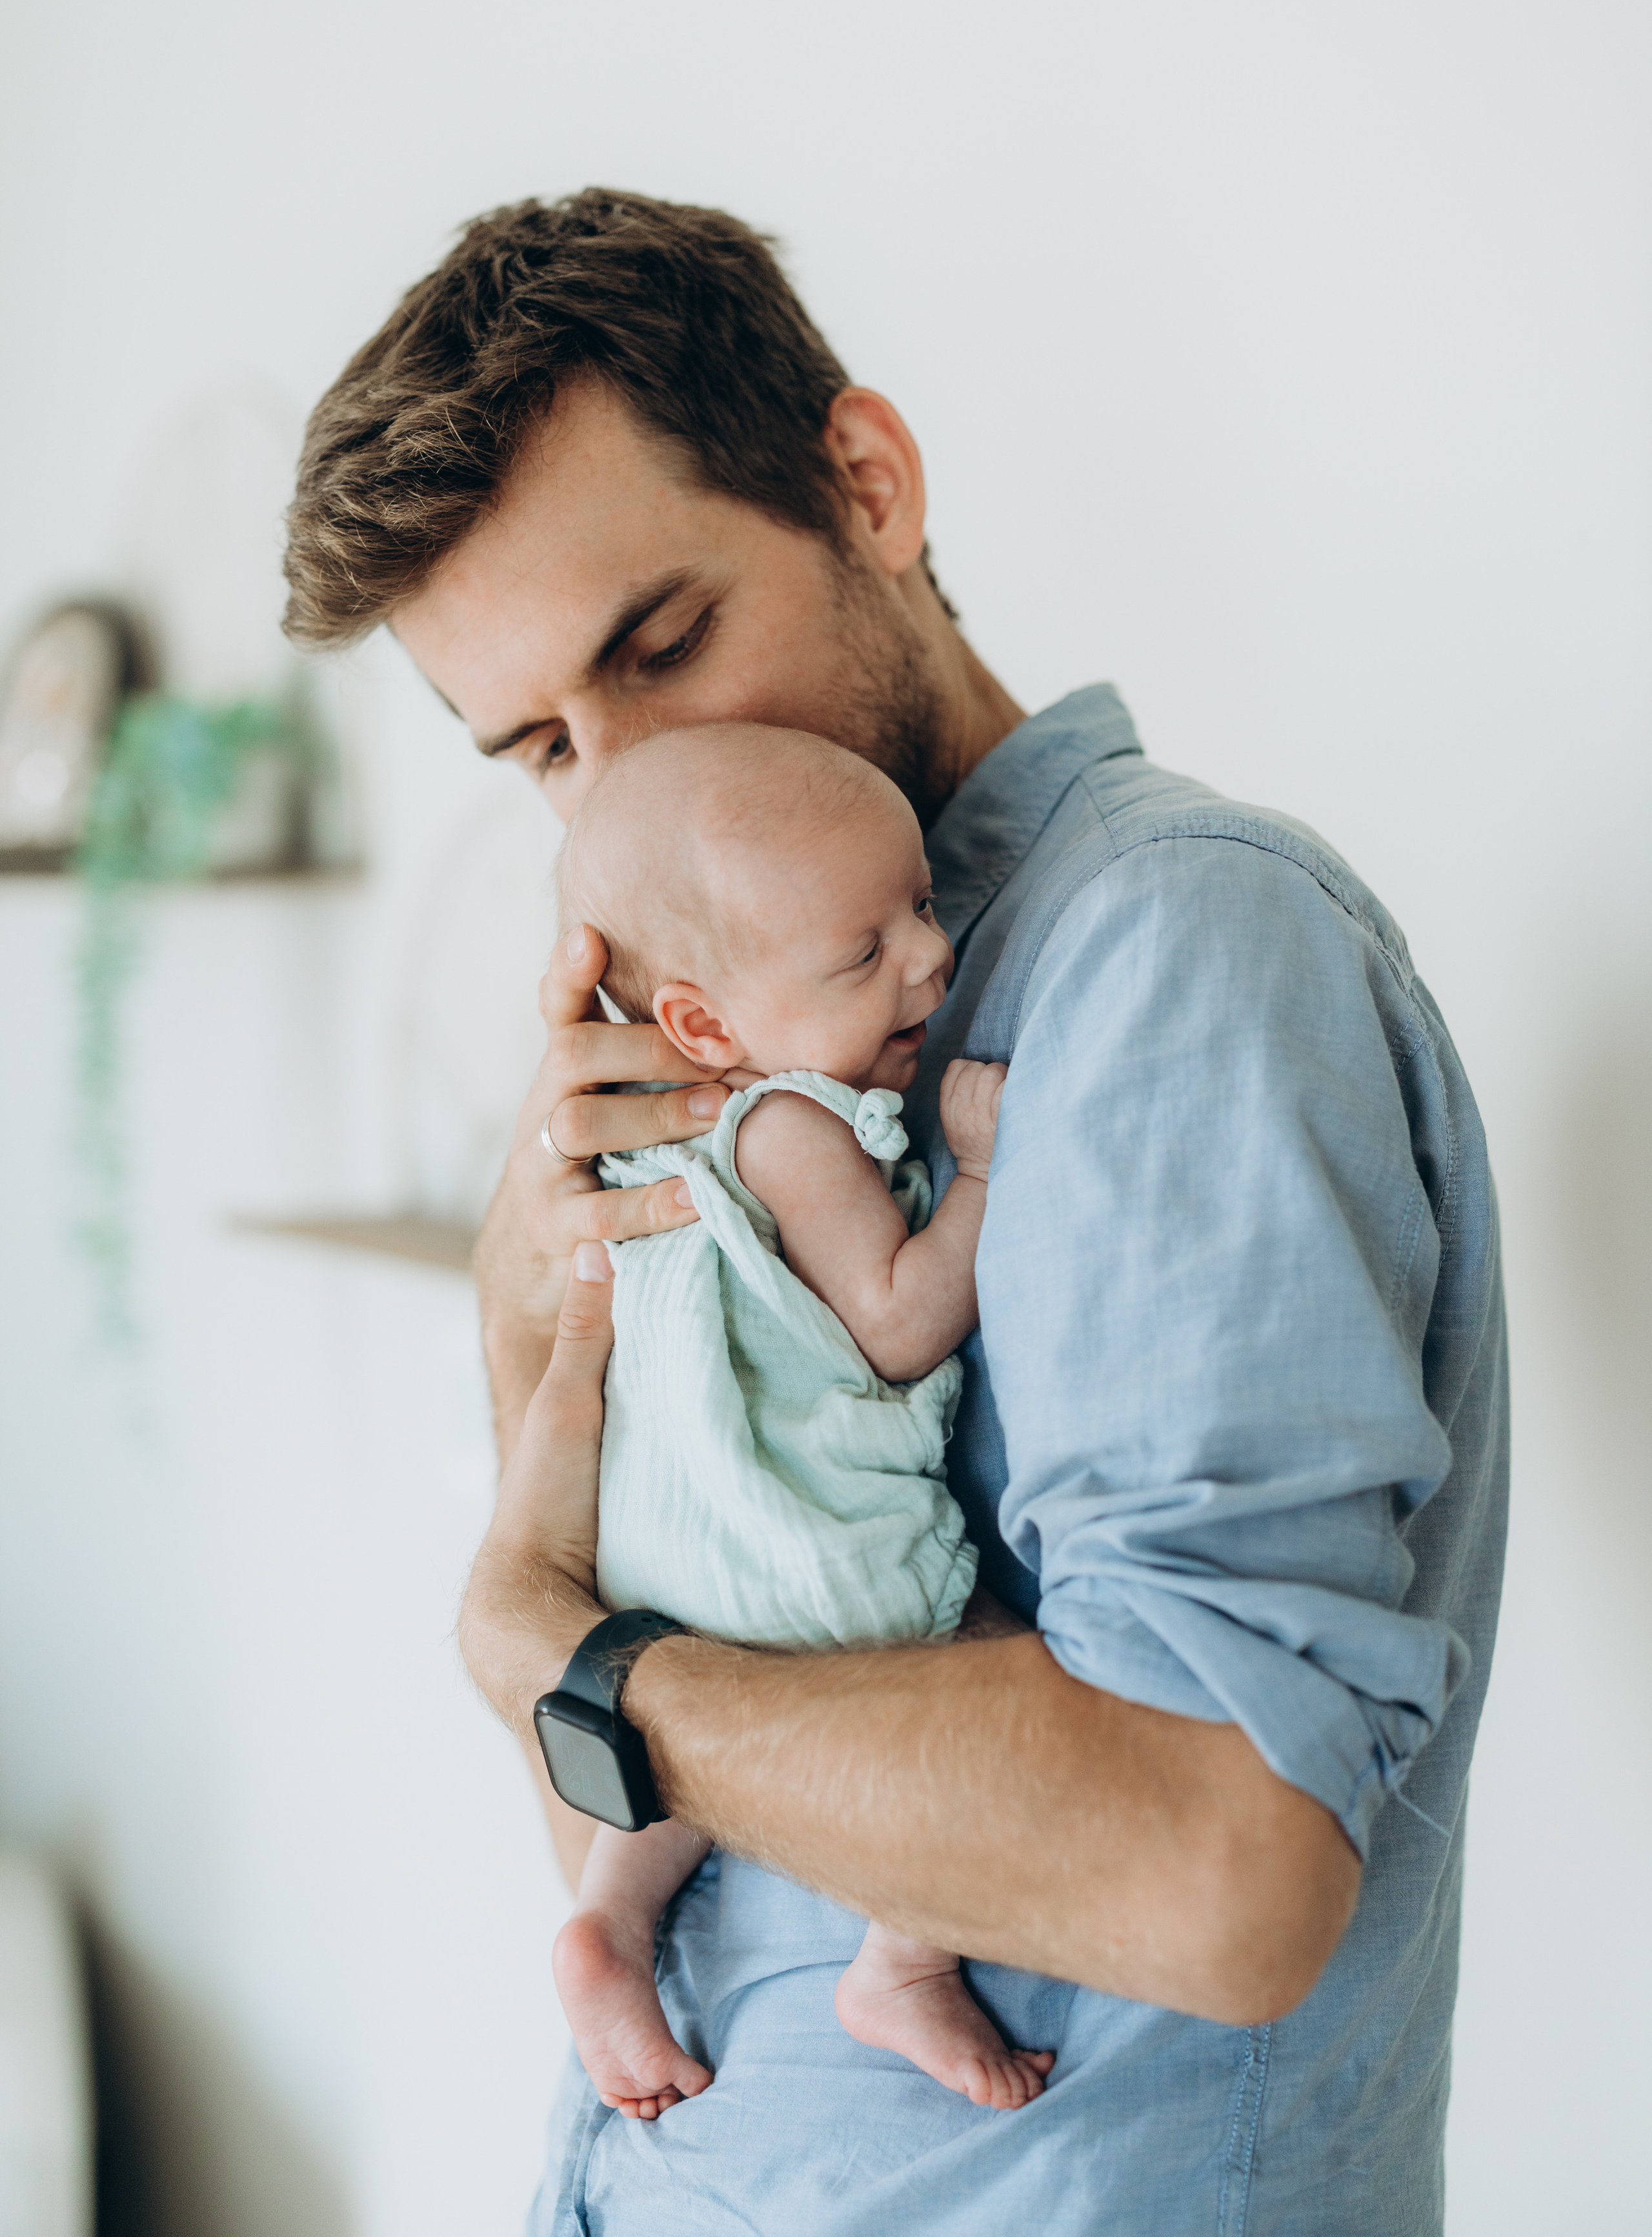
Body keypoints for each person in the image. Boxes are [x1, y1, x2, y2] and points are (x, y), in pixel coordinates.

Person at [281, 189, 1509, 2236]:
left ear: (867, 485)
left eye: (659, 645)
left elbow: (1224, 1871)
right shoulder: (729, 1065)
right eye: (543, 753)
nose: (626, 799)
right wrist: (535, 1323)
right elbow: (656, 1822)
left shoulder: (1168, 957)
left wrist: (583, 1662)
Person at [549, 718, 1051, 2121]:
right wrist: (978, 1178)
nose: (928, 960)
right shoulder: (789, 1127)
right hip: (815, 1558)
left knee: (684, 1780)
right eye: (862, 953)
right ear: (708, 1026)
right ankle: (899, 1959)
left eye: (924, 908)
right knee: (1005, 1707)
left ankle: (610, 1923)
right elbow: (895, 1325)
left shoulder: (651, 1145)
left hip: (670, 1566)